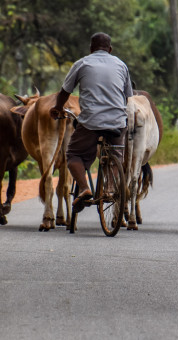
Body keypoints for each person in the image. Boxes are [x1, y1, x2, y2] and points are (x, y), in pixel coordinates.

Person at [50, 32, 133, 213]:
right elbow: (128, 97)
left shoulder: (82, 63)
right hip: (118, 122)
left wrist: (57, 107)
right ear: (110, 49)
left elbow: (65, 92)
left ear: (91, 49)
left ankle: (85, 188)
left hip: (90, 122)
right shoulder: (121, 64)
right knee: (117, 156)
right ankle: (111, 187)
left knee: (73, 154)